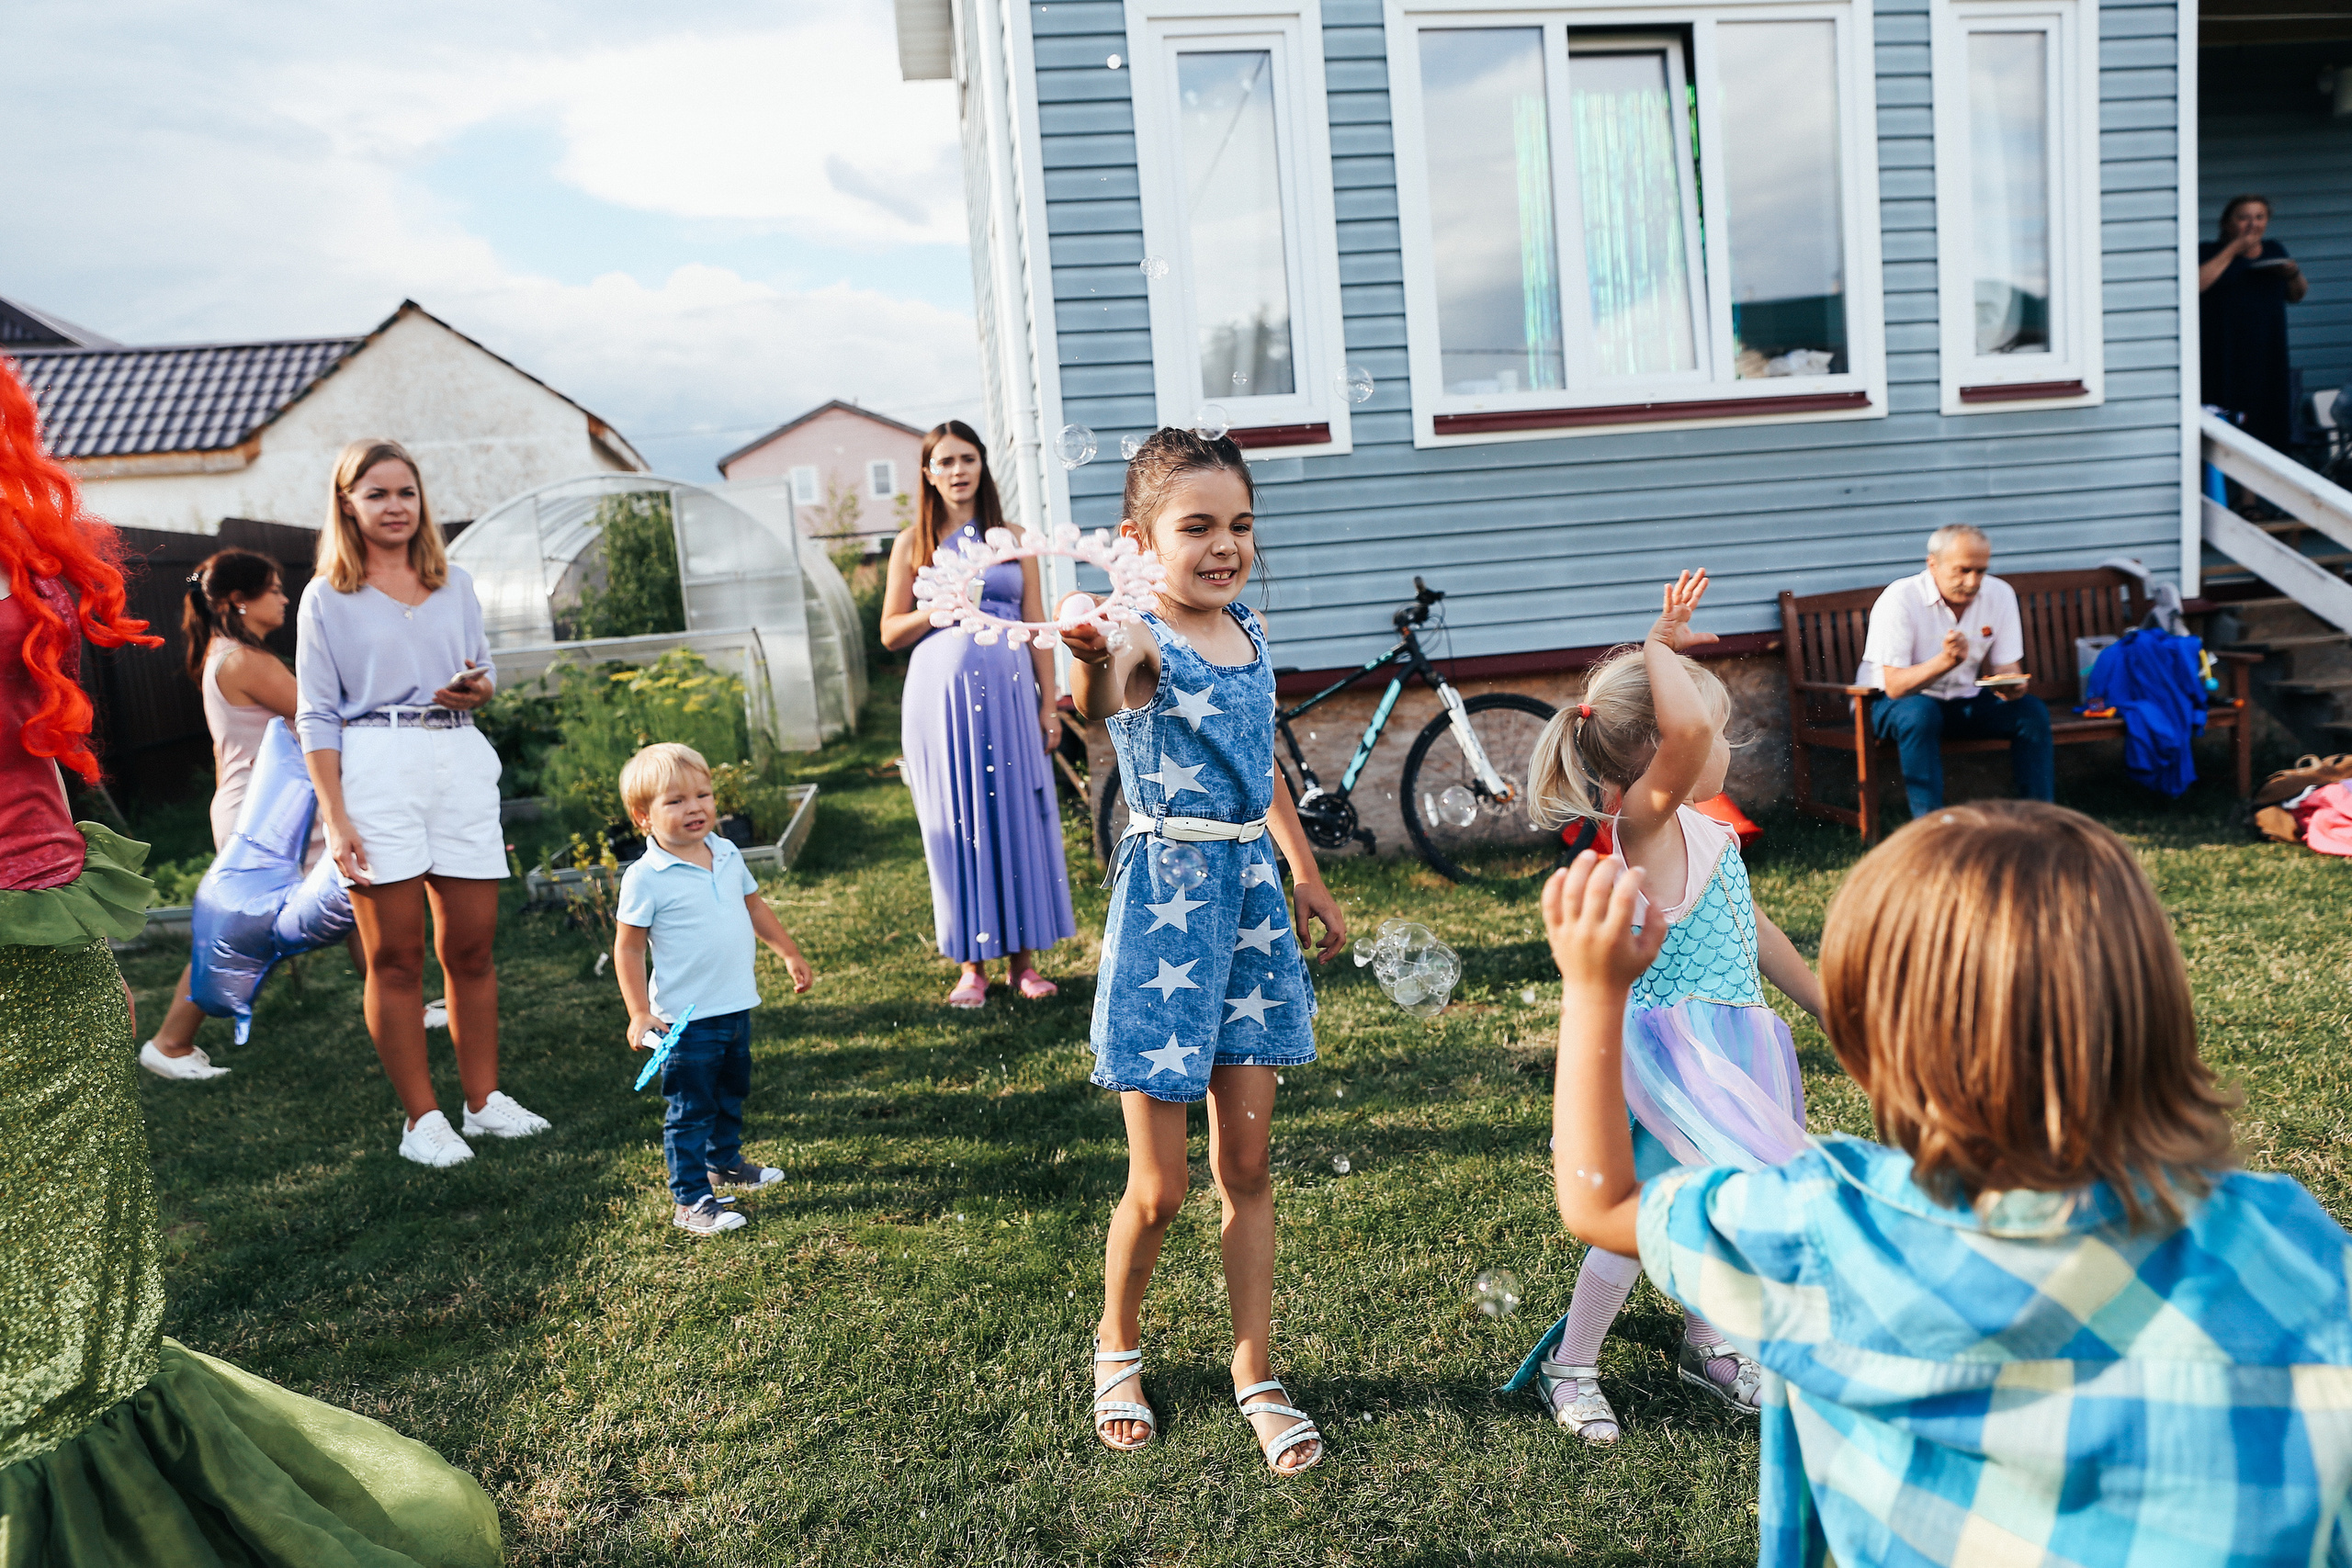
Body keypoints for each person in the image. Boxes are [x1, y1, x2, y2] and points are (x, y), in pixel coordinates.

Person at [1544, 801, 2352, 1567]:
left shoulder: (1838, 1228)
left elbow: (1601, 1199)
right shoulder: (2292, 1240)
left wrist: (1593, 989)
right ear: (2156, 1008)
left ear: (1885, 1049)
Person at [0, 357, 501, 1566]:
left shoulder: (26, 551)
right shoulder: (244, 652)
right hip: (246, 838)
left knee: (71, 1282)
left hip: (43, 930)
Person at [1063, 427, 1347, 1476]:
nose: (1224, 546)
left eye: (1239, 524)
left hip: (1252, 914)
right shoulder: (1137, 632)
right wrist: (1092, 662)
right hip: (1164, 922)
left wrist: (1304, 872)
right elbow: (1107, 697)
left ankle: (1254, 1370)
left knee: (1248, 1164)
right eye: (1197, 528)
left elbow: (1256, 762)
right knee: (1162, 1185)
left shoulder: (1249, 630)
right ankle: (1116, 1348)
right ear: (1140, 541)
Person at [1502, 570, 1825, 1444]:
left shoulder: (1709, 831)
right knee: (1643, 1214)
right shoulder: (1642, 823)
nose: (1725, 742)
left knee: (1714, 1201)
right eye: (1716, 730)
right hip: (1670, 1059)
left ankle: (1705, 1337)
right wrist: (1659, 643)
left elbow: (1746, 924)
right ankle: (1572, 1366)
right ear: (1657, 749)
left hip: (1734, 1044)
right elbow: (1682, 728)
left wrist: (1820, 997)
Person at [298, 437, 548, 1168]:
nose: (395, 506)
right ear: (347, 503)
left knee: (470, 945)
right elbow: (315, 714)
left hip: (459, 756)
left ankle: (483, 1103)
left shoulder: (455, 583)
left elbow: (486, 670)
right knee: (397, 956)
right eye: (376, 493)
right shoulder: (326, 598)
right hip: (376, 765)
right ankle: (423, 1119)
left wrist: (479, 689)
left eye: (405, 491)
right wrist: (335, 815)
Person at [140, 548, 379, 1080]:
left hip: (264, 810)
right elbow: (321, 715)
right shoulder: (245, 661)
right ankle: (170, 1041)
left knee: (355, 895)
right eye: (272, 589)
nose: (284, 597)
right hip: (269, 818)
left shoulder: (226, 654)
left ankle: (396, 999)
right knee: (236, 934)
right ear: (237, 602)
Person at [879, 421, 1075, 1009]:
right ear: (928, 473)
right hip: (941, 702)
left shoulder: (1013, 538)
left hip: (1013, 697)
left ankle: (1024, 962)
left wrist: (1050, 705)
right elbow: (890, 632)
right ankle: (971, 966)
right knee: (959, 821)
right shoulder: (911, 545)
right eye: (945, 462)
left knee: (1018, 815)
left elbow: (1038, 627)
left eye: (967, 458)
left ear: (982, 466)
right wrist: (939, 606)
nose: (957, 471)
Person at [613, 741, 814, 1238]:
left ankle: (724, 1166)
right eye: (676, 801)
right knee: (690, 1110)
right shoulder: (644, 878)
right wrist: (640, 1012)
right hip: (684, 1020)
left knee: (730, 1092)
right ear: (644, 818)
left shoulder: (724, 852)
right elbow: (629, 950)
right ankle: (690, 1200)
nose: (695, 807)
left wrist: (788, 952)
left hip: (735, 1005)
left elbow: (755, 908)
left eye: (702, 795)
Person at [1855, 524, 2053, 820]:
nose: (1973, 581)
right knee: (1920, 713)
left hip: (1963, 699)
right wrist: (1945, 662)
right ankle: (1931, 826)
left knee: (2030, 711)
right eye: (1962, 571)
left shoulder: (1999, 594)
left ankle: (2040, 819)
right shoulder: (1900, 598)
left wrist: (2013, 686)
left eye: (1981, 571)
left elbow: (2008, 667)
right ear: (1932, 564)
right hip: (1885, 703)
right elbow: (1895, 686)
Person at [2199, 195, 2309, 454]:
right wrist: (2234, 249)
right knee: (2225, 417)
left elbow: (2297, 294)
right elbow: (2198, 284)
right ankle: (2219, 486)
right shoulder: (2209, 252)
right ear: (2227, 223)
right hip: (2223, 353)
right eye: (2243, 217)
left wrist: (2293, 274)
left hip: (2266, 354)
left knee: (2266, 420)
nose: (2252, 224)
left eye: (2259, 217)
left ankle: (2251, 495)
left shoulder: (2274, 251)